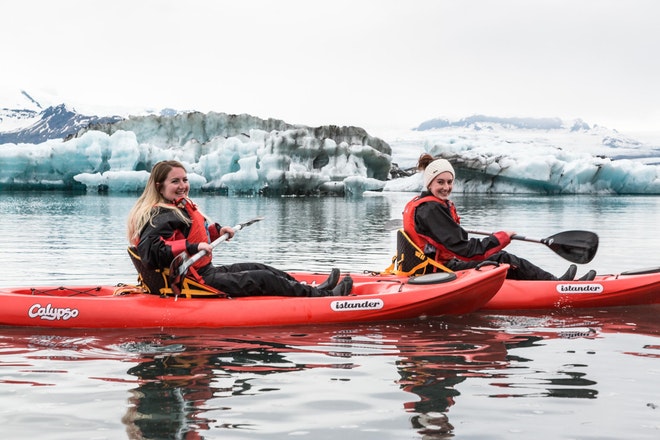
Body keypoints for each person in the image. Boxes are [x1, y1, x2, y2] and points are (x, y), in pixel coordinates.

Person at [126, 160, 353, 297]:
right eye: (175, 182)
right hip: (195, 281)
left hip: (205, 272)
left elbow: (192, 229)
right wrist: (194, 246)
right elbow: (151, 252)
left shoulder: (178, 208)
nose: (182, 185)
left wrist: (217, 231)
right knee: (264, 279)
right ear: (160, 186)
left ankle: (314, 288)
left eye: (184, 180)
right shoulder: (160, 214)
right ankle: (323, 297)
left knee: (260, 267)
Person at [402, 154, 596, 281]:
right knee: (505, 258)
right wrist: (500, 238)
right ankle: (556, 285)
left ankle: (546, 284)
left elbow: (443, 239)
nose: (446, 187)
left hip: (430, 266)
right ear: (429, 183)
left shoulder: (425, 204)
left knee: (499, 260)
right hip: (439, 270)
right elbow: (466, 251)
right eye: (440, 182)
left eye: (449, 182)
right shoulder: (431, 209)